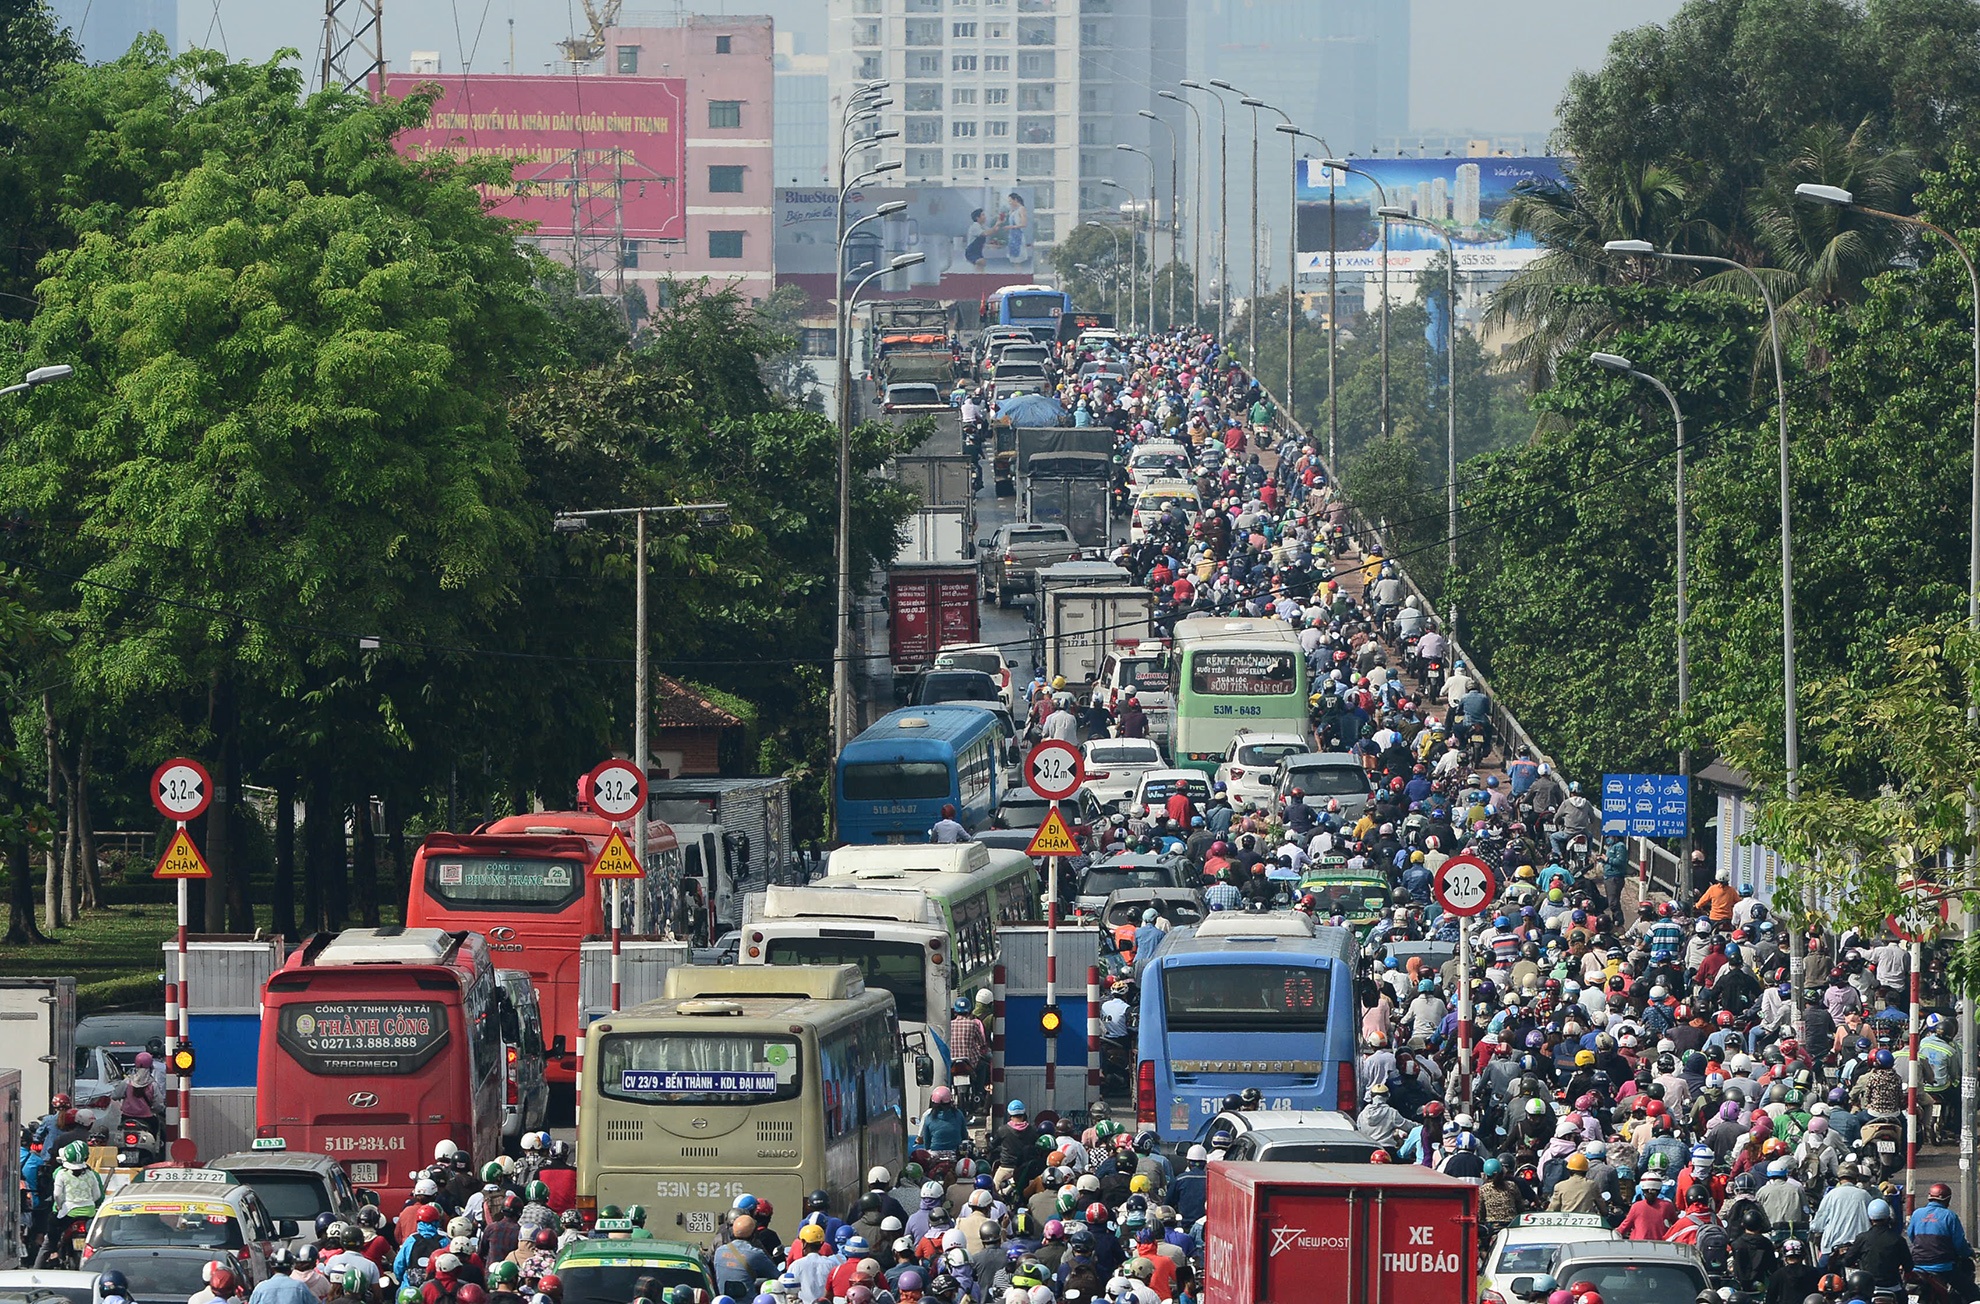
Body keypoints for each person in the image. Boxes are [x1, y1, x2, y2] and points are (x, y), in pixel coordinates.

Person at [1906, 1182, 1973, 1300]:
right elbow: (1959, 1244)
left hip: (1917, 1266)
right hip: (1943, 1267)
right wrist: (1968, 1252)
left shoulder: (1917, 1214)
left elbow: (1911, 1236)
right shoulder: (1950, 1216)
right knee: (1972, 1291)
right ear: (1947, 1200)